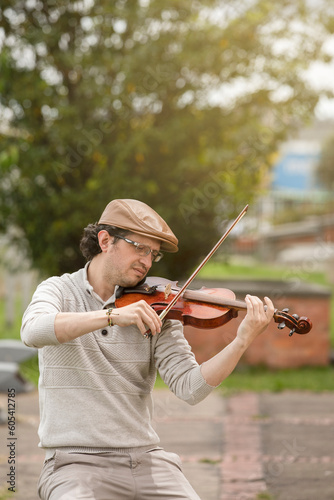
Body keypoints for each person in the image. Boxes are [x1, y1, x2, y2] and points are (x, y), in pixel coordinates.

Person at [21, 198, 275, 500]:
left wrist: (241, 340)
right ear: (105, 241)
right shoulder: (59, 291)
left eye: (153, 254)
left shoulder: (158, 310)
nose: (147, 260)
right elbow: (33, 331)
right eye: (139, 247)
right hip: (75, 464)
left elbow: (190, 388)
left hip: (147, 460)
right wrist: (112, 316)